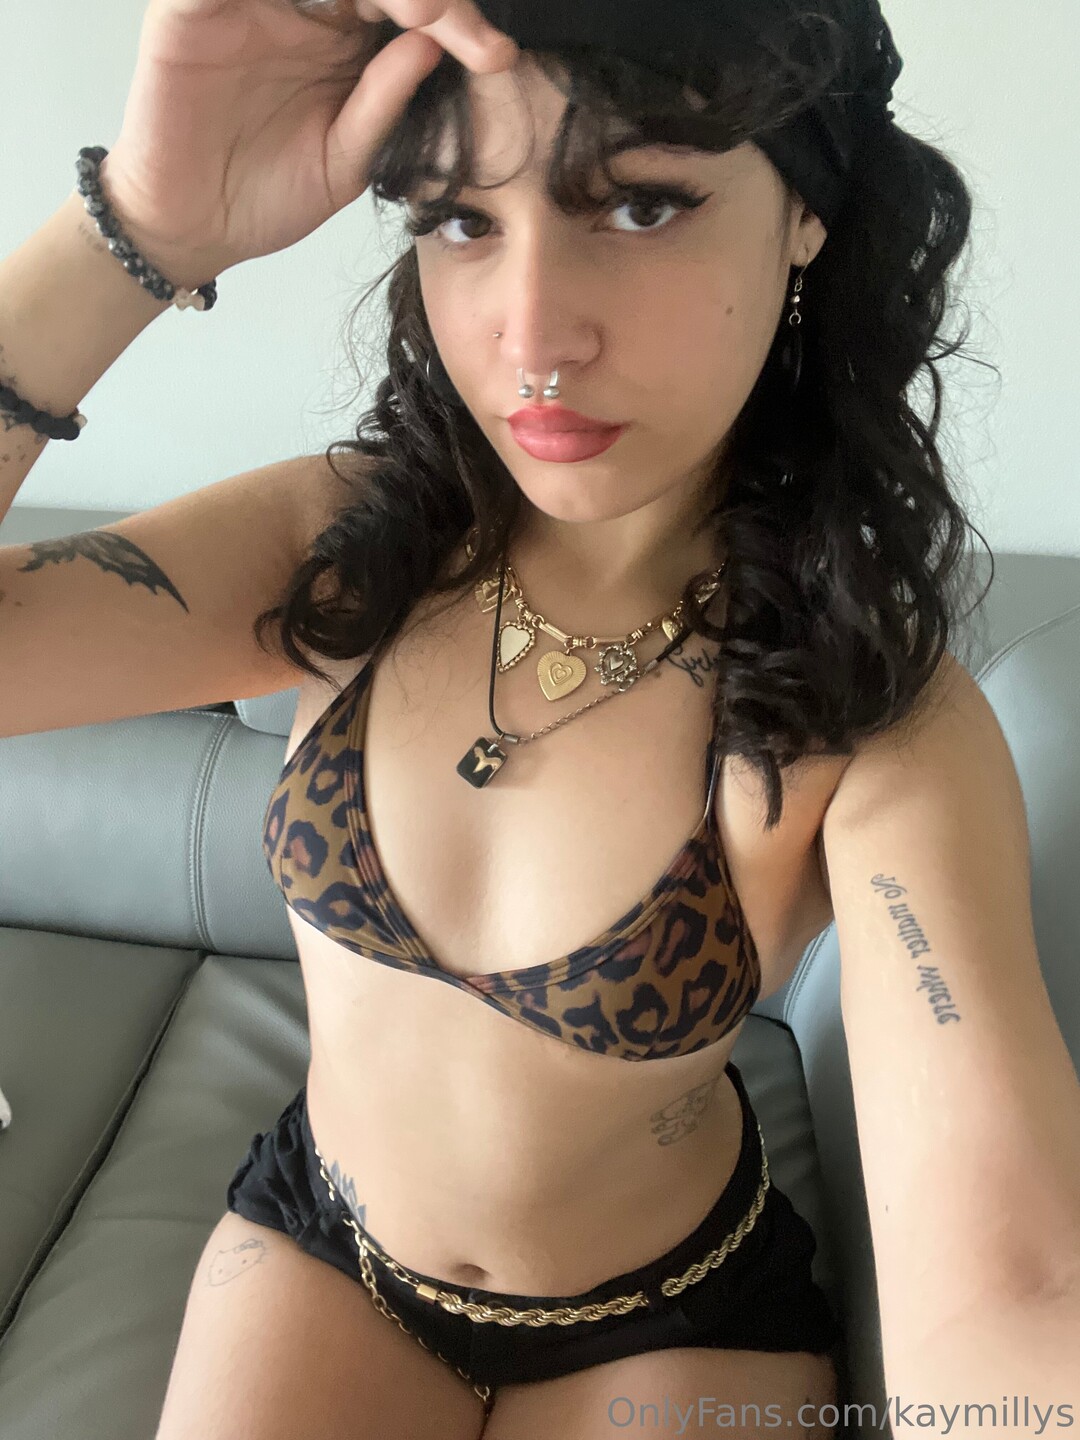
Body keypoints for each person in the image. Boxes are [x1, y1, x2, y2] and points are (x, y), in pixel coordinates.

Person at [0, 1, 990, 1436]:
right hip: (328, 1250)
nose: (532, 337)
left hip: (673, 1311)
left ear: (806, 215)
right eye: (462, 220)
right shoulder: (348, 548)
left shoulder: (857, 703)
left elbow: (1004, 1269)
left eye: (641, 204)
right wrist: (142, 227)